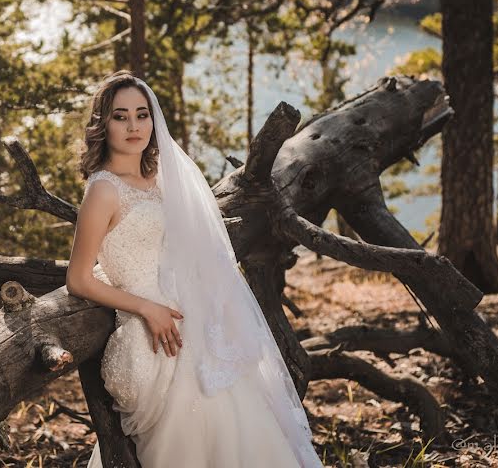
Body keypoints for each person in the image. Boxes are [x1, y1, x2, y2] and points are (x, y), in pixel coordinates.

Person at [66, 70, 324, 468]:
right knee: (195, 411)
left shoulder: (160, 178)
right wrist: (146, 308)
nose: (134, 126)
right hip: (149, 322)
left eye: (142, 114)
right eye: (120, 116)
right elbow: (79, 278)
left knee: (238, 404)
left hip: (190, 310)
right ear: (104, 123)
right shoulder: (104, 189)